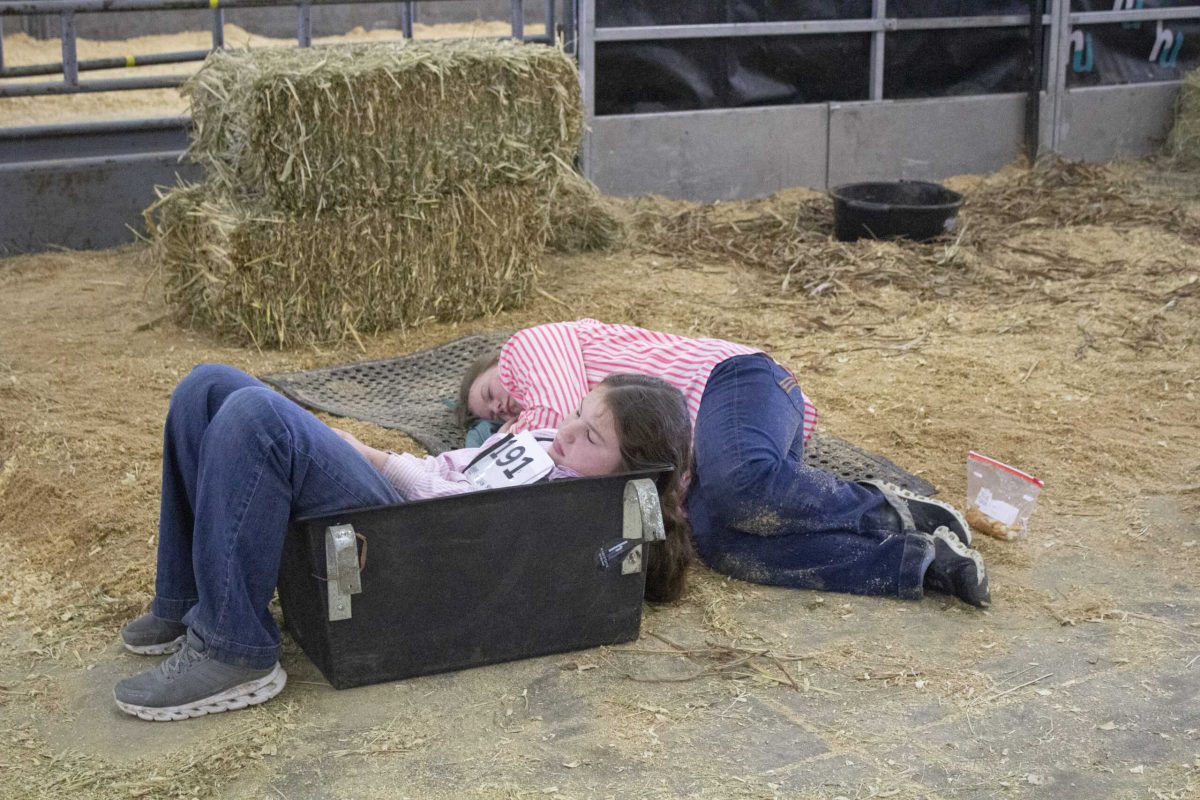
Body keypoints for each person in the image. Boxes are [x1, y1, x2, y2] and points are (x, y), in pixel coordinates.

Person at [115, 364, 693, 722]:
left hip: (417, 529)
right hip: (411, 491)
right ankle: (187, 599)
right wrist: (358, 453)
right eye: (576, 413)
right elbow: (453, 467)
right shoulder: (553, 446)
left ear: (630, 474)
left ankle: (233, 651)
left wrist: (367, 456)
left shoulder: (578, 504)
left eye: (590, 434)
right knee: (207, 385)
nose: (566, 432)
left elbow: (455, 508)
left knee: (256, 415)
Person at [460, 319, 991, 610]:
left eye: (490, 395)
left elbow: (548, 414)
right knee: (719, 542)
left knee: (742, 486)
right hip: (713, 463)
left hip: (735, 383)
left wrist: (479, 461)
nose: (501, 410)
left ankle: (890, 508)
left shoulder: (528, 347)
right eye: (487, 415)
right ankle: (920, 563)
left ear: (495, 364)